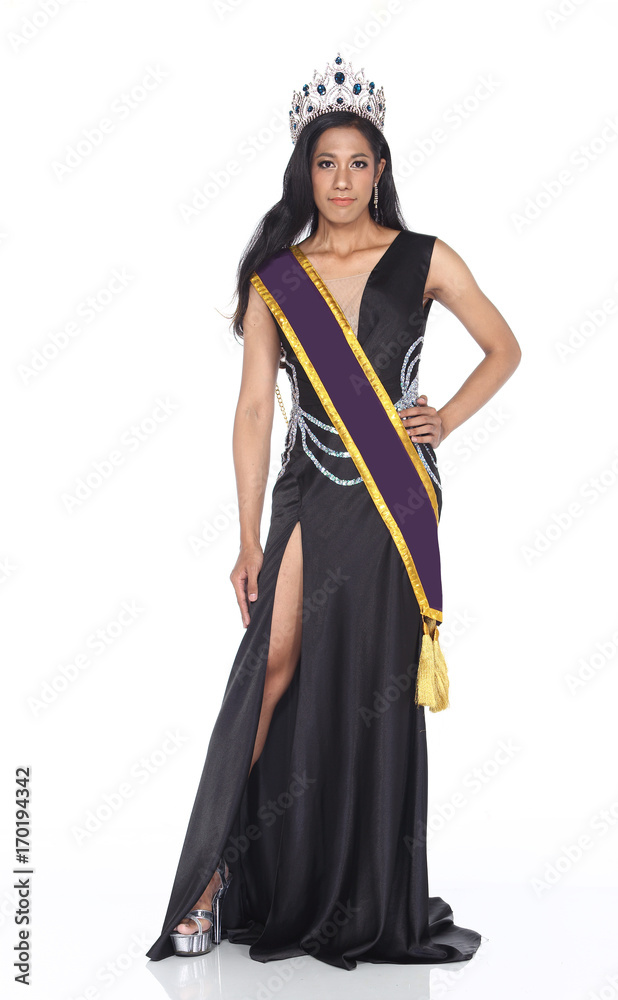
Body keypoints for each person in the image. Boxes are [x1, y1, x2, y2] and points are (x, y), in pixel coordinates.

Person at [146, 53, 521, 970]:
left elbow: (503, 348)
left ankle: (359, 887)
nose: (342, 180)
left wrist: (443, 420)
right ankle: (214, 876)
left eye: (357, 163)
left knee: (369, 678)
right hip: (308, 489)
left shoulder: (425, 258)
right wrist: (246, 536)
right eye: (326, 164)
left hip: (395, 498)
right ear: (304, 172)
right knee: (271, 664)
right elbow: (252, 410)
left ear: (379, 169)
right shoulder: (278, 276)